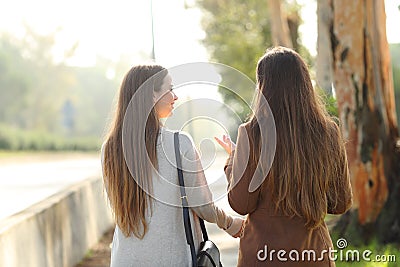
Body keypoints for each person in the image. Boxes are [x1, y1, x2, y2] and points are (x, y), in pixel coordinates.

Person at [215, 46, 353, 266]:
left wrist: (233, 160)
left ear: (263, 86)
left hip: (263, 256)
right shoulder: (328, 132)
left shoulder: (252, 134)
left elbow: (241, 204)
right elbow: (340, 202)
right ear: (305, 84)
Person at [101, 64, 243, 266]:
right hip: (170, 258)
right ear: (151, 95)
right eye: (169, 89)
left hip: (124, 259)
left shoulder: (109, 149)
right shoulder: (179, 144)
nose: (175, 96)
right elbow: (202, 205)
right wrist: (230, 223)